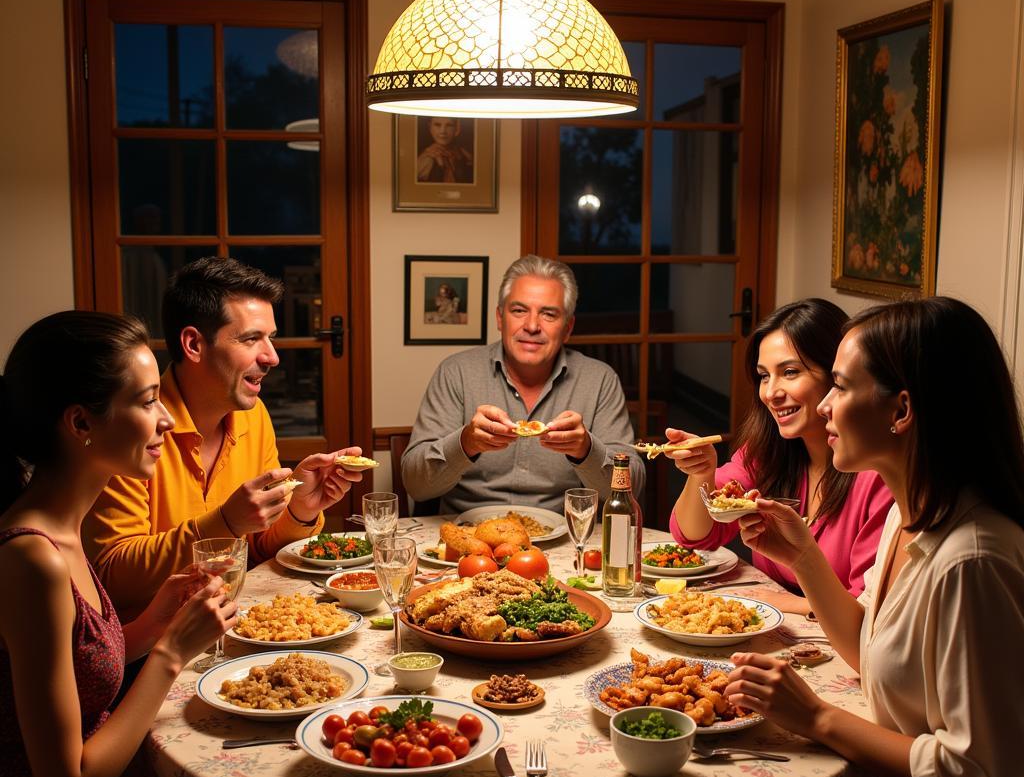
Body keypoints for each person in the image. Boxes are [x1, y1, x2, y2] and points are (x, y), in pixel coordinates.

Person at [723, 297, 1024, 777]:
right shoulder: (906, 515)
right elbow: (873, 652)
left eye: (837, 385)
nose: (823, 408)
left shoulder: (972, 561)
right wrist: (804, 555)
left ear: (902, 410)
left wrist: (816, 717)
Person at [0, 311, 237, 777]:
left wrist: (156, 620)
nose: (166, 421)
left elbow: (79, 668)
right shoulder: (33, 559)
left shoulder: (63, 528)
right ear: (81, 422)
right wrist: (169, 656)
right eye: (149, 400)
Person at [85, 257, 365, 619]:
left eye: (271, 338)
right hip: (150, 646)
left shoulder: (254, 416)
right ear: (194, 344)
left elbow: (260, 550)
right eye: (251, 339)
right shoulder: (133, 426)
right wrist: (225, 523)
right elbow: (112, 579)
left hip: (235, 622)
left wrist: (300, 510)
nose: (272, 357)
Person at [666, 298, 892, 612]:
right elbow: (694, 535)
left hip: (841, 641)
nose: (771, 392)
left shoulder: (876, 474)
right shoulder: (768, 452)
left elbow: (869, 606)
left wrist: (784, 603)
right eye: (763, 376)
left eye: (789, 372)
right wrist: (701, 473)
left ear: (836, 374)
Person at [402, 255, 644, 514]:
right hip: (469, 540)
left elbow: (633, 487)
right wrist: (465, 443)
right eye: (519, 311)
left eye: (548, 314)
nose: (531, 326)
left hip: (566, 539)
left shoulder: (599, 380)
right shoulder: (456, 373)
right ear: (499, 318)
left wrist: (586, 450)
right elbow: (415, 484)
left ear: (568, 327)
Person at [416, 117, 474, 184]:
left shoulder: (465, 156)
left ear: (457, 128)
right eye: (437, 125)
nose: (443, 131)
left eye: (449, 125)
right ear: (430, 128)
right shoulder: (424, 159)